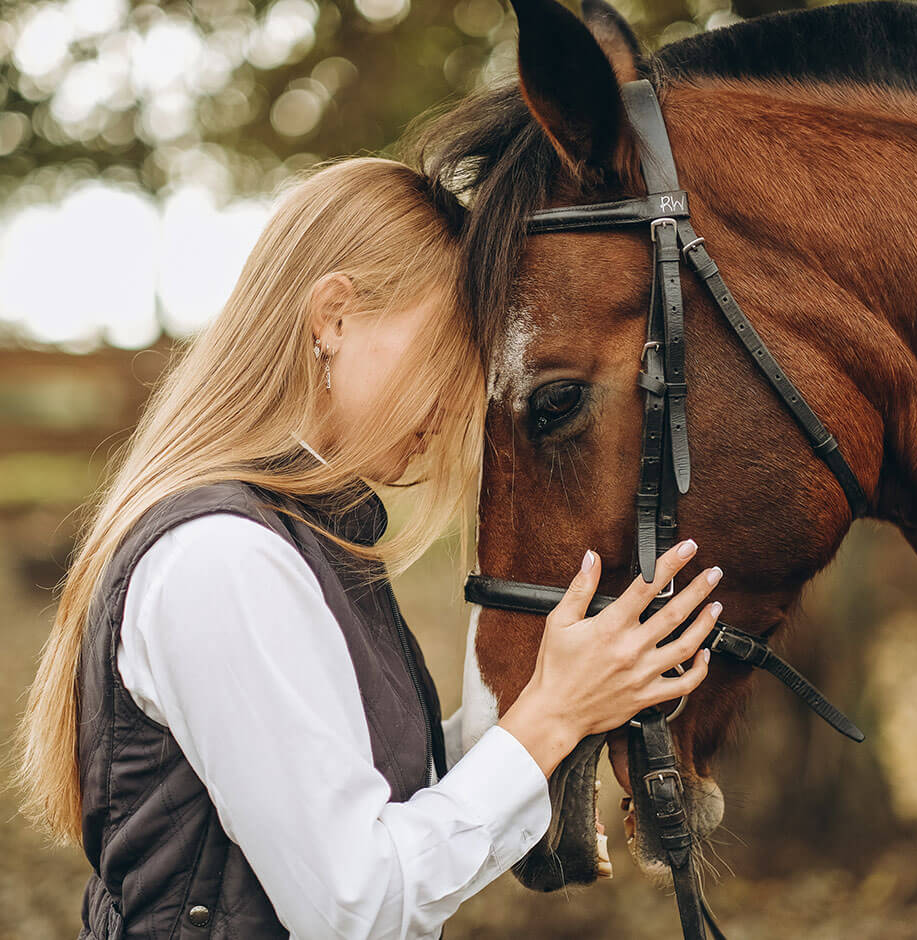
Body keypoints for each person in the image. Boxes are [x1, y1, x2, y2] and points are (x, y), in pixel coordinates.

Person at [14, 156, 721, 939]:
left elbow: (387, 791)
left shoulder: (309, 535)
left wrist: (569, 683)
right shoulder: (222, 559)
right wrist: (552, 716)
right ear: (334, 318)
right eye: (446, 351)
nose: (458, 403)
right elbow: (355, 904)